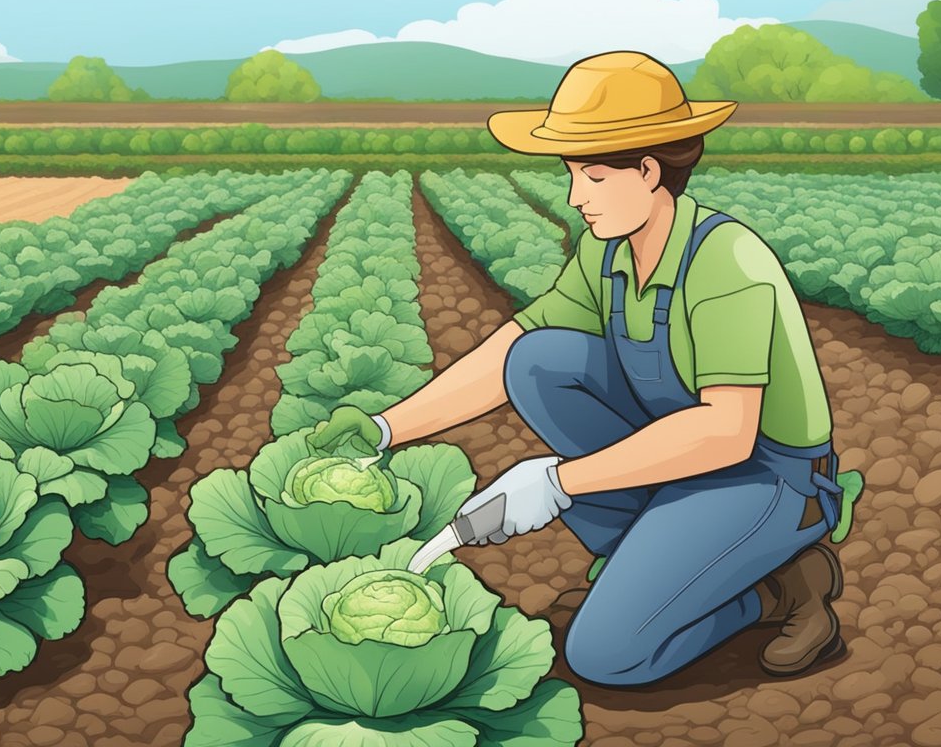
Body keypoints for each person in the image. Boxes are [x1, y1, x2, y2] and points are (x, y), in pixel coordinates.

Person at [309, 50, 847, 687]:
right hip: (678, 451)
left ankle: (785, 590)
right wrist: (384, 429)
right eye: (572, 175)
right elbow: (513, 346)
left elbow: (726, 431)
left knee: (606, 655)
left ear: (648, 170)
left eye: (591, 177)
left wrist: (564, 482)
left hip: (770, 477)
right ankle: (660, 563)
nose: (574, 198)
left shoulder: (727, 261)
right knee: (540, 361)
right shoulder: (609, 251)